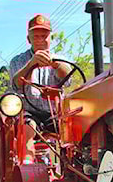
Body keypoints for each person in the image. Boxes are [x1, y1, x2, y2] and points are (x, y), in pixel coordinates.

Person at [8, 14, 73, 161]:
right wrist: (31, 64)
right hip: (29, 111)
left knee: (71, 130)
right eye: (36, 36)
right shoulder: (18, 61)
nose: (40, 40)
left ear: (50, 38)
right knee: (28, 126)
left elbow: (68, 79)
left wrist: (55, 64)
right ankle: (28, 165)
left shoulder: (61, 60)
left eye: (44, 36)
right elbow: (17, 84)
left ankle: (70, 165)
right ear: (29, 39)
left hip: (55, 113)